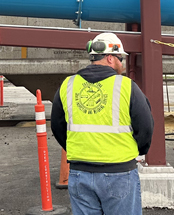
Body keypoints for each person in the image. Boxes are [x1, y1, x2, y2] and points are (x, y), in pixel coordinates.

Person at [51, 32, 153, 215]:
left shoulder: (68, 85)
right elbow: (145, 128)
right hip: (119, 172)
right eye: (120, 58)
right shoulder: (127, 86)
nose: (121, 64)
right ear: (110, 58)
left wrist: (78, 148)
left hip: (79, 172)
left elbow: (57, 126)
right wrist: (138, 150)